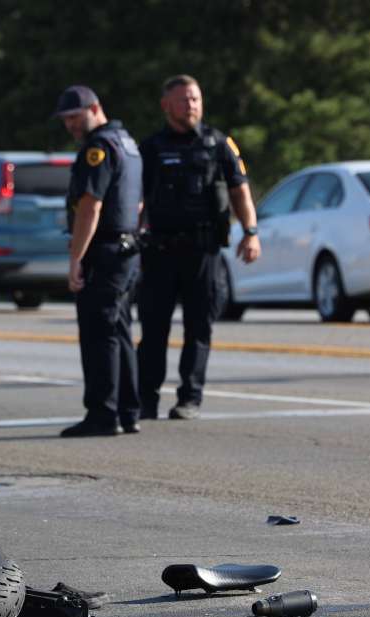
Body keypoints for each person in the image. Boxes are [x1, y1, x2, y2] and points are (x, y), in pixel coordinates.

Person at [137, 75, 261, 421]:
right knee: (153, 329)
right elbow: (136, 199)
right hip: (159, 251)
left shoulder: (219, 144)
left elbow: (240, 190)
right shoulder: (151, 148)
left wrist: (251, 232)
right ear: (166, 105)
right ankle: (145, 400)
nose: (191, 105)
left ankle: (189, 398)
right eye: (184, 100)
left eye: (195, 99)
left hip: (202, 251)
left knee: (199, 328)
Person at [54, 85, 143, 438]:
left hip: (104, 251)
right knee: (118, 331)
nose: (70, 125)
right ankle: (128, 411)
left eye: (75, 117)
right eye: (65, 120)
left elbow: (91, 206)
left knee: (98, 334)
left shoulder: (99, 148)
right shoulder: (127, 143)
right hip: (126, 249)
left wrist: (76, 258)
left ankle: (103, 414)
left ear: (95, 108)